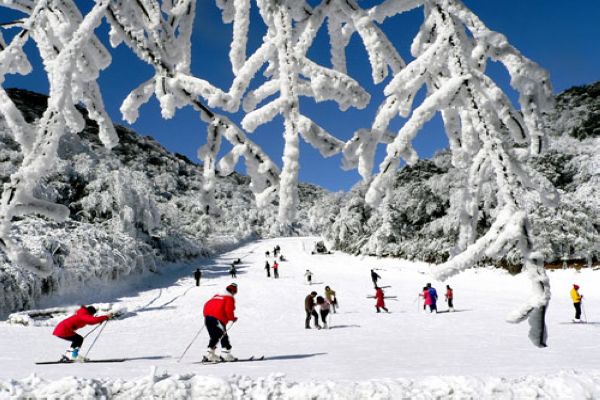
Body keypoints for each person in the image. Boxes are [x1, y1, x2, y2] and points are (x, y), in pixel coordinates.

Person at [203, 283, 238, 362]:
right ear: (232, 291)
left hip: (207, 318)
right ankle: (226, 354)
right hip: (217, 319)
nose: (234, 294)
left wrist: (208, 315)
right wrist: (232, 318)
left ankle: (210, 354)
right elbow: (228, 310)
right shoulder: (229, 298)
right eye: (234, 292)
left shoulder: (216, 296)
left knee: (214, 336)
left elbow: (206, 305)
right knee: (223, 335)